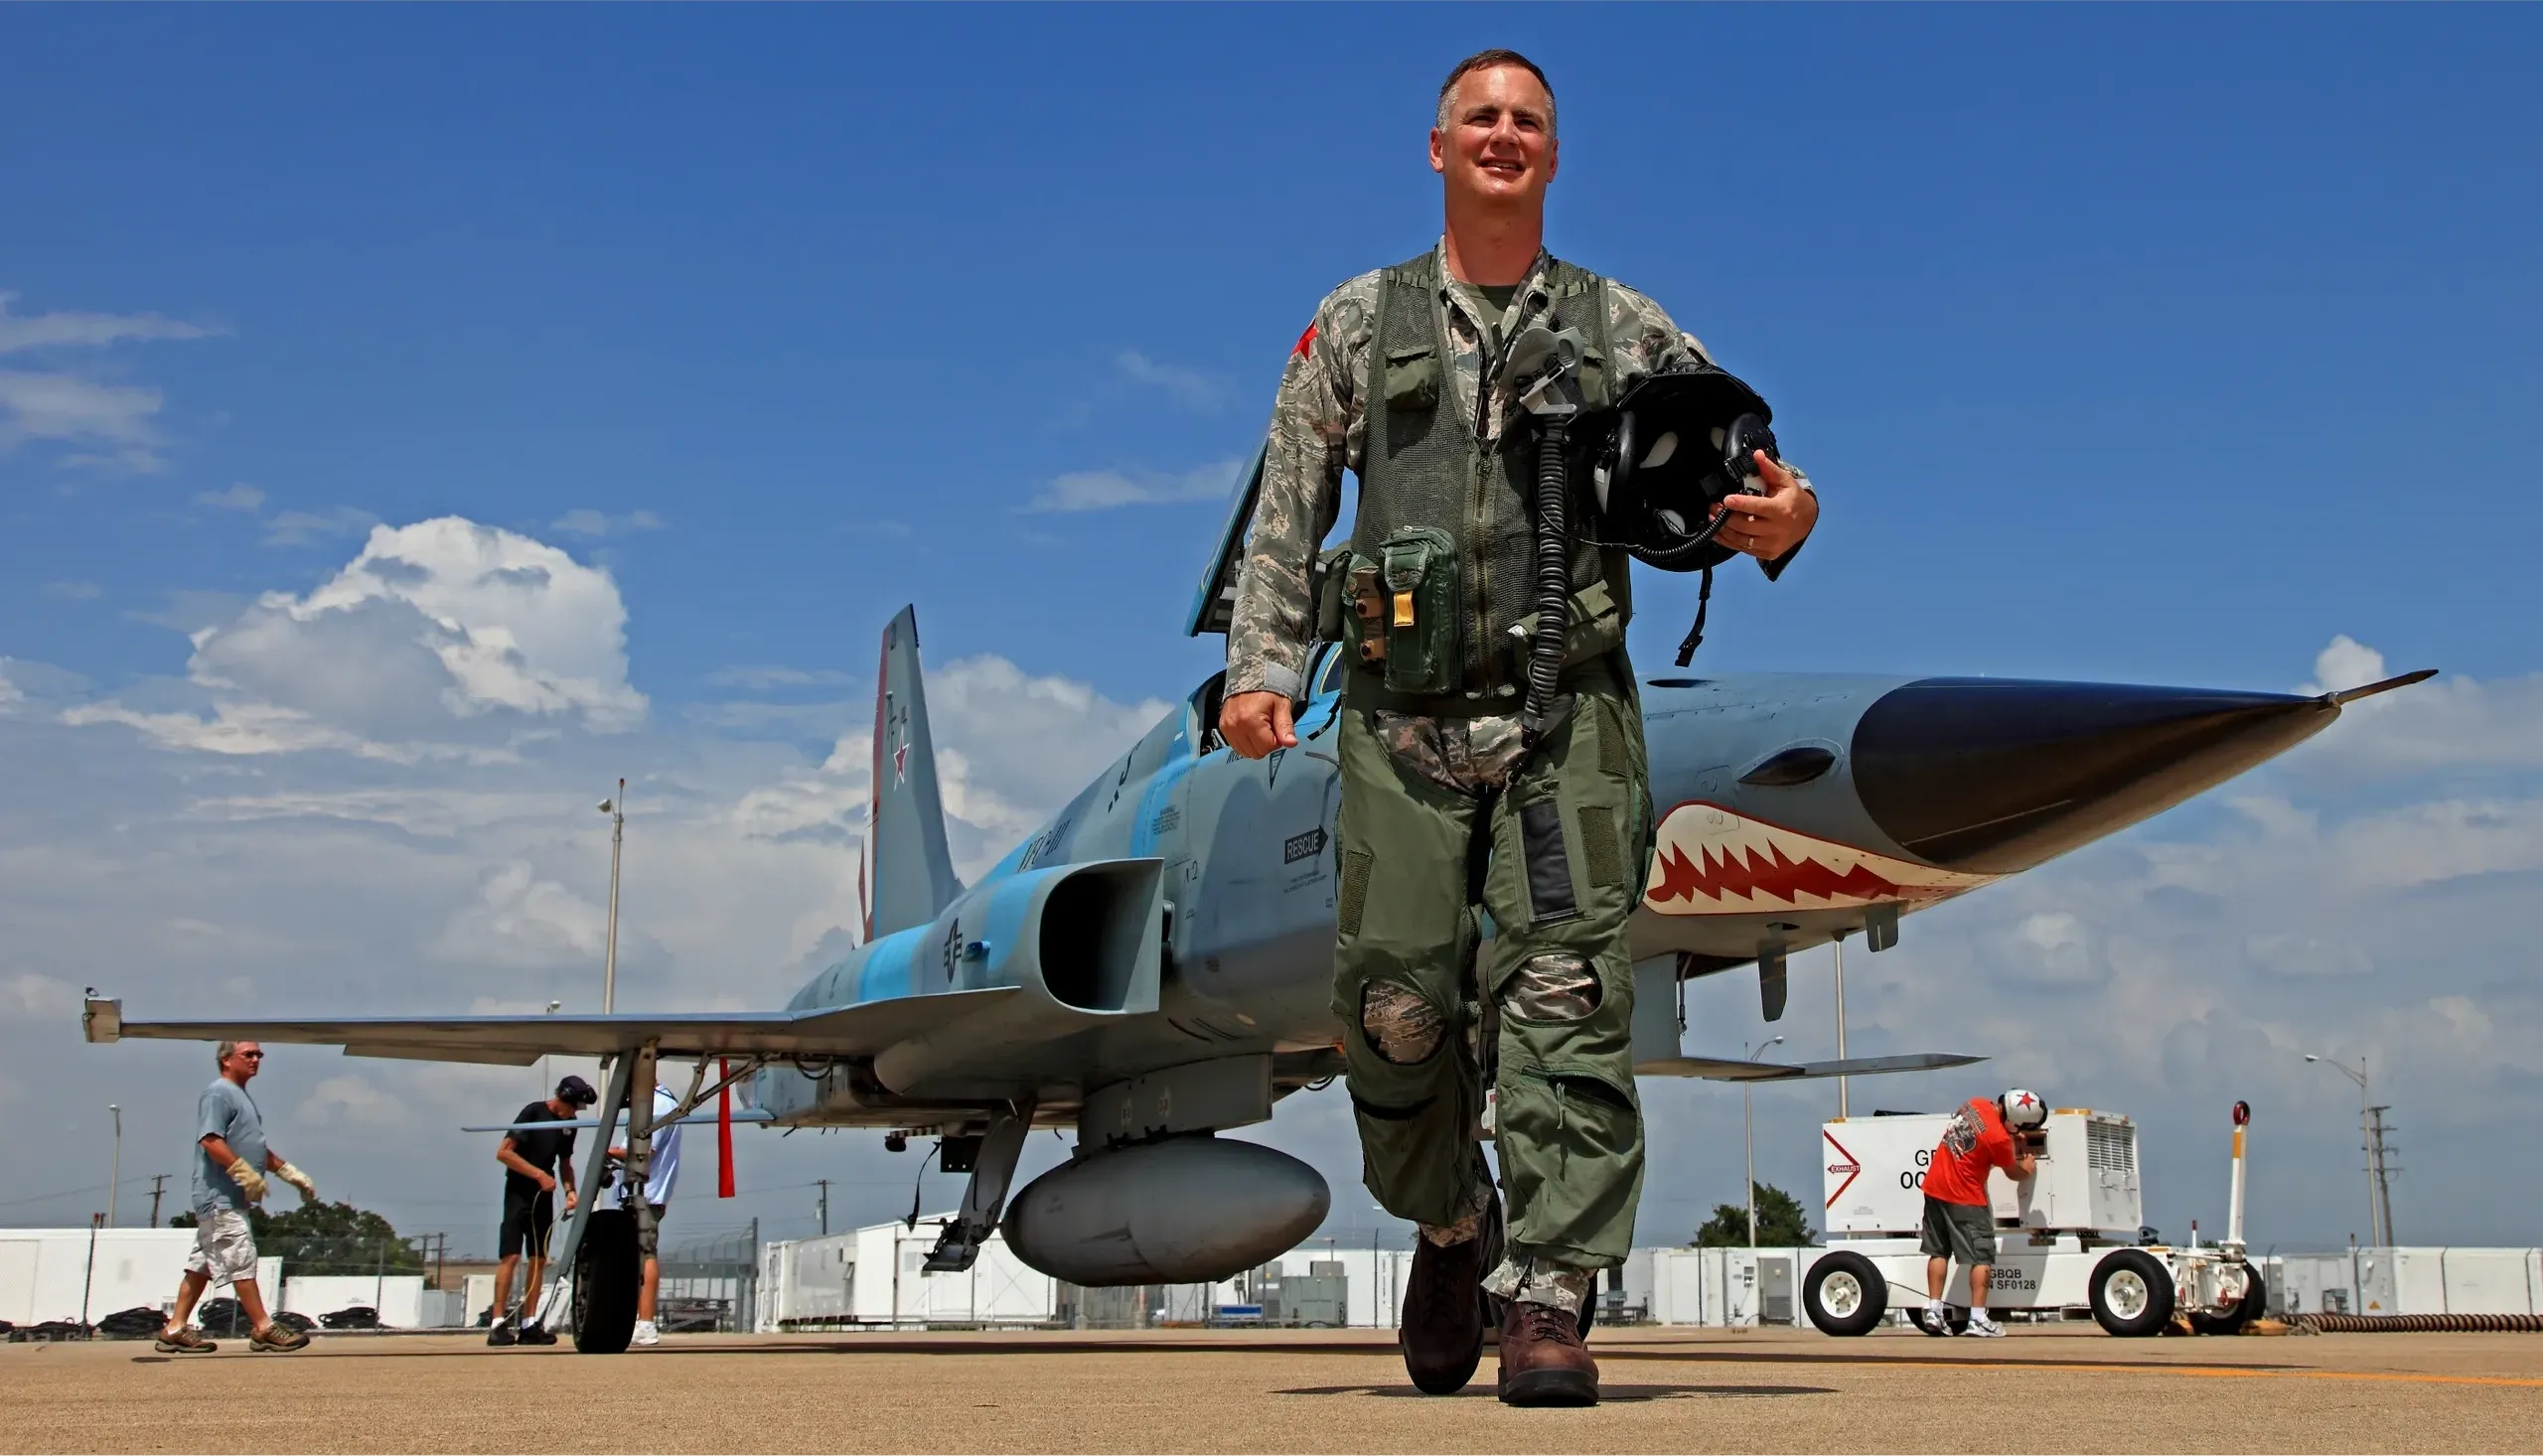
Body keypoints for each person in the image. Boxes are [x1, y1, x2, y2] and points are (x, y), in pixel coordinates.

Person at [1219, 50, 1819, 1406]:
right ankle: (1452, 1228)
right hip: (1398, 723)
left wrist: (1794, 519)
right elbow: (1289, 499)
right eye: (1480, 118)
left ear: (1554, 154)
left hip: (1568, 718)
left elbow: (1743, 459)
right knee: (1396, 1011)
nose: (1504, 134)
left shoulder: (1622, 328)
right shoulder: (1360, 323)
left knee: (1566, 995)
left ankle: (1551, 1295)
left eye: (1528, 121)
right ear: (1437, 148)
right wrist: (1260, 666)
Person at [155, 1041, 317, 1354]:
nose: (257, 1059)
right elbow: (210, 1140)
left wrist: (290, 1173)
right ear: (226, 1059)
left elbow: (255, 1147)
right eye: (249, 1054)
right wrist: (243, 1173)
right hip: (219, 1197)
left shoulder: (242, 1097)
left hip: (229, 1198)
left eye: (259, 1054)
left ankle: (174, 1328)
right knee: (241, 1256)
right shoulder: (218, 1093)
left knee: (200, 1264)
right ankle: (263, 1327)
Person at [1918, 1089, 2045, 1338]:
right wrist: (2027, 1167)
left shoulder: (1974, 1104)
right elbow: (2012, 1172)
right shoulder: (1999, 1139)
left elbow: (1981, 1133)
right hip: (1966, 1197)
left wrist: (2009, 1135)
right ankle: (1978, 1318)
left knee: (1938, 1251)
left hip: (1935, 1187)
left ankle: (1934, 1311)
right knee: (1981, 1255)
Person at [489, 1074, 595, 1347]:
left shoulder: (570, 1124)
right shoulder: (534, 1112)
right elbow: (504, 1152)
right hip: (518, 1193)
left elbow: (565, 1162)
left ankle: (529, 1323)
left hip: (543, 1195)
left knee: (538, 1258)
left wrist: (571, 1190)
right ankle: (498, 1322)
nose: (576, 1111)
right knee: (511, 1256)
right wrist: (538, 1174)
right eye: (575, 1105)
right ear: (565, 1099)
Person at [607, 1082, 683, 1347]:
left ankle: (646, 1322)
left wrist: (605, 1151)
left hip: (646, 1194)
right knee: (639, 1255)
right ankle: (639, 1319)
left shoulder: (657, 1106)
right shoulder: (661, 1104)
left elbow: (644, 1152)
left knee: (645, 1254)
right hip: (644, 1193)